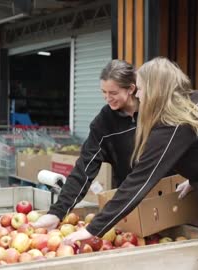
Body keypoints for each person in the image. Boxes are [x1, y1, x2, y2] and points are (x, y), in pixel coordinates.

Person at [62, 57, 198, 244]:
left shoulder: (174, 124)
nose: (139, 95)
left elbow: (141, 179)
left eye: (141, 89)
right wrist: (195, 178)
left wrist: (93, 228)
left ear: (155, 90)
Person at [33, 59, 139, 230]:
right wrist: (57, 212)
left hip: (169, 193)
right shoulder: (104, 122)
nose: (107, 98)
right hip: (130, 200)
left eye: (113, 92)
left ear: (131, 89)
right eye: (103, 92)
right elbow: (84, 167)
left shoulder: (152, 112)